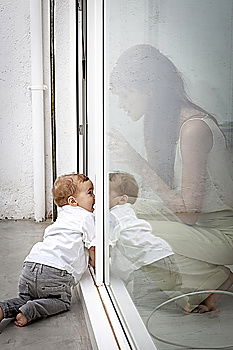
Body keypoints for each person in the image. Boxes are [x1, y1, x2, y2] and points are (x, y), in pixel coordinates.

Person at [109, 44, 233, 312]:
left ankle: (213, 278)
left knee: (125, 227)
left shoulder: (194, 128)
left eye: (126, 95)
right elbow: (175, 201)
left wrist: (137, 163)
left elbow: (188, 212)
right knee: (117, 211)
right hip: (200, 225)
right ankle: (199, 276)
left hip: (223, 233)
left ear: (149, 91)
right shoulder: (162, 121)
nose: (121, 104)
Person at [0, 173, 95, 326]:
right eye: (90, 192)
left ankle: (3, 309)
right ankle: (30, 311)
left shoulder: (62, 218)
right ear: (73, 201)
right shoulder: (87, 217)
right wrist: (96, 263)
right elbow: (93, 245)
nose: (95, 197)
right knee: (62, 302)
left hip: (30, 266)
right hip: (56, 273)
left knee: (24, 298)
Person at [108, 172, 190, 311]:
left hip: (150, 262)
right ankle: (197, 297)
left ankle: (191, 304)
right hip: (161, 254)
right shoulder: (126, 211)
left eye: (104, 192)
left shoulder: (113, 215)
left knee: (148, 301)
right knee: (171, 289)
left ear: (122, 199)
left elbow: (107, 245)